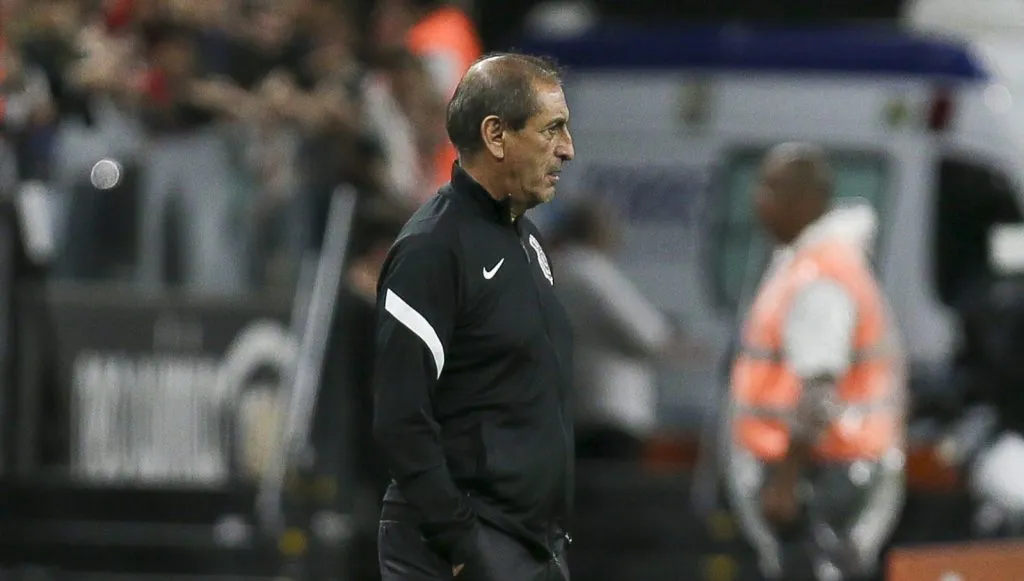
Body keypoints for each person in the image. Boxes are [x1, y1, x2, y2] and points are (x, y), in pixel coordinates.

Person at [372, 52, 575, 581]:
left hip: (531, 544)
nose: (567, 148)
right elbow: (400, 416)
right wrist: (460, 542)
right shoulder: (432, 248)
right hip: (459, 547)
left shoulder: (528, 240)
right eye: (552, 129)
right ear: (496, 135)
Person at [723, 143, 907, 580]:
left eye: (771, 189)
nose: (757, 201)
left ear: (807, 200)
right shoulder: (815, 263)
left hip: (824, 475)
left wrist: (787, 480)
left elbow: (819, 389)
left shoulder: (820, 276)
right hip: (834, 468)